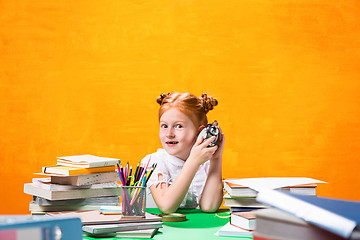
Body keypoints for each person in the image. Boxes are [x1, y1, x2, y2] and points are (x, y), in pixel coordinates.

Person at [141, 92, 224, 213]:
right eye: (164, 126)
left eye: (179, 126)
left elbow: (209, 206)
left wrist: (216, 159)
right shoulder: (154, 162)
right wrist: (193, 162)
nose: (169, 134)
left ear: (200, 131)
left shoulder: (205, 163)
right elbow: (166, 206)